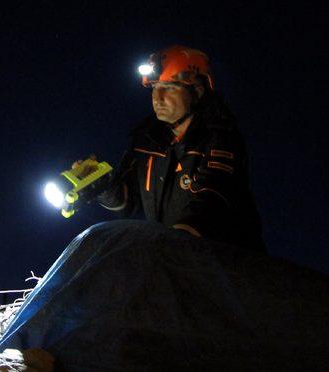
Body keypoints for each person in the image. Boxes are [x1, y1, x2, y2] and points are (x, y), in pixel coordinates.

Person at [96, 44, 265, 251]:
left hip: (226, 266)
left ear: (197, 90)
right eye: (155, 88)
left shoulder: (221, 138)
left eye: (169, 88)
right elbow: (127, 202)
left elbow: (213, 198)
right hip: (175, 260)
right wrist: (102, 185)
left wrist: (177, 239)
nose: (158, 98)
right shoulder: (147, 142)